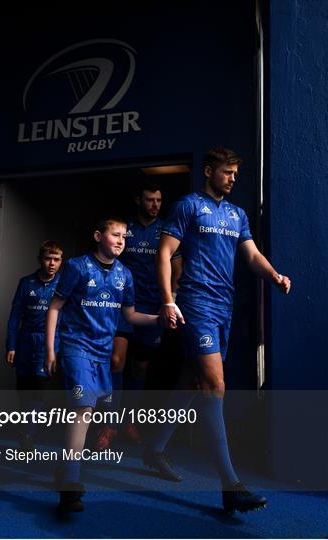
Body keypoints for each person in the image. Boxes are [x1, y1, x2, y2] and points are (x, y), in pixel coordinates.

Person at [142, 147, 291, 514]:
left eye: (236, 174)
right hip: (196, 303)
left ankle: (153, 449)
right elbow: (164, 254)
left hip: (224, 306)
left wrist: (274, 275)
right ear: (209, 171)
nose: (232, 178)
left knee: (192, 383)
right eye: (227, 172)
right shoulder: (188, 206)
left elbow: (251, 255)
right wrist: (167, 299)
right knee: (214, 386)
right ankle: (230, 484)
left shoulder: (237, 214)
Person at [45, 218, 167, 514]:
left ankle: (65, 467)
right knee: (82, 408)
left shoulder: (125, 275)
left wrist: (158, 319)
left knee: (88, 410)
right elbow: (55, 307)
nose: (121, 240)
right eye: (116, 234)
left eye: (125, 236)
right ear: (98, 235)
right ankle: (71, 485)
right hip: (76, 346)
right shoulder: (76, 266)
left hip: (102, 352)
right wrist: (50, 350)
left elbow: (130, 315)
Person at [96, 182, 167, 450]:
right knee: (116, 362)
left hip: (152, 307)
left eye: (159, 200)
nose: (155, 205)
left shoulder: (165, 230)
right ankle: (109, 424)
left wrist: (170, 299)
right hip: (122, 305)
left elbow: (177, 266)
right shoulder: (124, 229)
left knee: (140, 367)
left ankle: (128, 421)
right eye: (150, 199)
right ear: (139, 200)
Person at [6, 240, 63, 450]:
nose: (51, 263)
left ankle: (28, 433)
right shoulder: (26, 283)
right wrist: (11, 345)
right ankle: (26, 426)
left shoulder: (64, 285)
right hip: (25, 341)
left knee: (39, 387)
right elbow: (15, 316)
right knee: (24, 388)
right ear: (40, 260)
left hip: (48, 342)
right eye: (48, 259)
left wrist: (60, 347)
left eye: (56, 260)